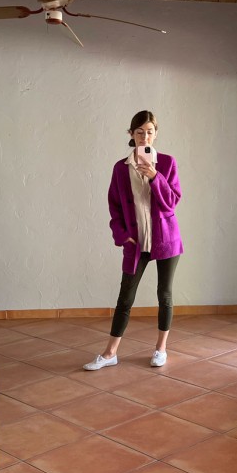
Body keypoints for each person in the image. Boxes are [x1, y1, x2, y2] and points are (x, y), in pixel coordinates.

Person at [84, 110, 183, 371]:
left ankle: (161, 349)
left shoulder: (168, 163)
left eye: (150, 131)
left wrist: (154, 176)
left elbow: (172, 202)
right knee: (125, 298)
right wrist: (123, 236)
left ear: (156, 133)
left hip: (166, 241)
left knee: (165, 295)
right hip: (136, 244)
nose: (145, 136)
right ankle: (110, 353)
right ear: (132, 135)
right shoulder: (120, 168)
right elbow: (114, 207)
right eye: (140, 132)